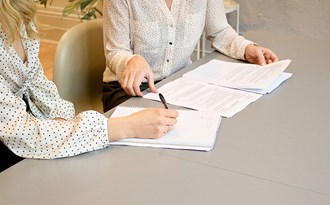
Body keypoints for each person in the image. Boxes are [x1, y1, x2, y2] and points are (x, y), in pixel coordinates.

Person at [0, 0, 178, 172]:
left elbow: (38, 85)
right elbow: (21, 133)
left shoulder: (18, 13)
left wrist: (62, 122)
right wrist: (127, 126)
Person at [102, 0, 279, 112]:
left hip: (178, 85)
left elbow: (219, 31)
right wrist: (131, 61)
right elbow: (115, 51)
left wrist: (246, 48)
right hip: (128, 90)